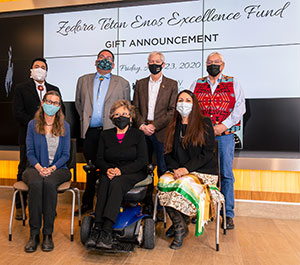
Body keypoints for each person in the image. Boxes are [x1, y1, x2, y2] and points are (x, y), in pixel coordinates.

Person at [157, 90, 224, 250]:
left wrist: (186, 169)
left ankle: (181, 225)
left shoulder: (205, 123)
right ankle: (181, 224)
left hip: (203, 172)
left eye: (188, 100)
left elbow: (207, 154)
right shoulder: (173, 126)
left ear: (194, 104)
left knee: (182, 185)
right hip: (179, 171)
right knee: (163, 182)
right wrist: (176, 169)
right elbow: (167, 153)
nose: (183, 103)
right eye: (180, 100)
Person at [190, 52, 246, 229]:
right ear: (206, 65)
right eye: (209, 62)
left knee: (226, 175)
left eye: (216, 62)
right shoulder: (196, 84)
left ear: (223, 65)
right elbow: (190, 107)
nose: (213, 65)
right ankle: (201, 212)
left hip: (225, 136)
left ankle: (227, 214)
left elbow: (240, 107)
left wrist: (223, 125)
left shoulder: (233, 82)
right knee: (199, 173)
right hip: (202, 137)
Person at [85, 100, 148, 249]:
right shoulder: (105, 135)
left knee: (116, 182)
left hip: (133, 171)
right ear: (112, 118)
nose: (121, 117)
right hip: (110, 170)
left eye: (125, 114)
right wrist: (108, 169)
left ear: (131, 118)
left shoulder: (138, 135)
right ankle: (97, 227)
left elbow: (142, 160)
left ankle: (107, 229)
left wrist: (121, 171)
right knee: (105, 181)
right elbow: (99, 159)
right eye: (117, 114)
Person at [75, 49, 130, 214]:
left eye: (108, 58)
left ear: (113, 64)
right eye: (101, 57)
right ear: (95, 61)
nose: (104, 60)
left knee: (110, 167)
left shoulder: (122, 83)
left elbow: (126, 108)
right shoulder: (83, 80)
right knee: (91, 168)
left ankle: (108, 204)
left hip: (111, 133)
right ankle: (87, 203)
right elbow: (79, 104)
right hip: (90, 132)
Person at [13, 58, 64, 220]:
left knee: (48, 172)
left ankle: (48, 206)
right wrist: (37, 126)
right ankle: (21, 206)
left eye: (43, 67)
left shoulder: (53, 89)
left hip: (52, 136)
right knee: (24, 169)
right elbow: (17, 112)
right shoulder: (21, 88)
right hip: (29, 136)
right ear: (31, 70)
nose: (40, 69)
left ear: (47, 71)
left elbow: (60, 111)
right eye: (37, 67)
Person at [23, 91, 71, 253]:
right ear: (43, 103)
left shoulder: (65, 126)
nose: (52, 105)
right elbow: (29, 152)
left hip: (59, 169)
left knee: (50, 183)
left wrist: (51, 169)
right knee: (36, 183)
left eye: (56, 103)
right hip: (34, 168)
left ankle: (47, 233)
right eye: (49, 101)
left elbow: (65, 155)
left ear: (59, 107)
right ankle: (34, 234)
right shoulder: (32, 124)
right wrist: (39, 168)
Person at [133, 51, 178, 214]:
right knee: (144, 168)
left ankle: (162, 205)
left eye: (157, 61)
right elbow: (135, 108)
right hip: (142, 132)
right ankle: (146, 203)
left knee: (163, 169)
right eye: (151, 61)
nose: (154, 64)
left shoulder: (172, 84)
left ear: (163, 64)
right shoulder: (140, 83)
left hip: (161, 133)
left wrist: (154, 126)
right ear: (147, 64)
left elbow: (172, 111)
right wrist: (142, 126)